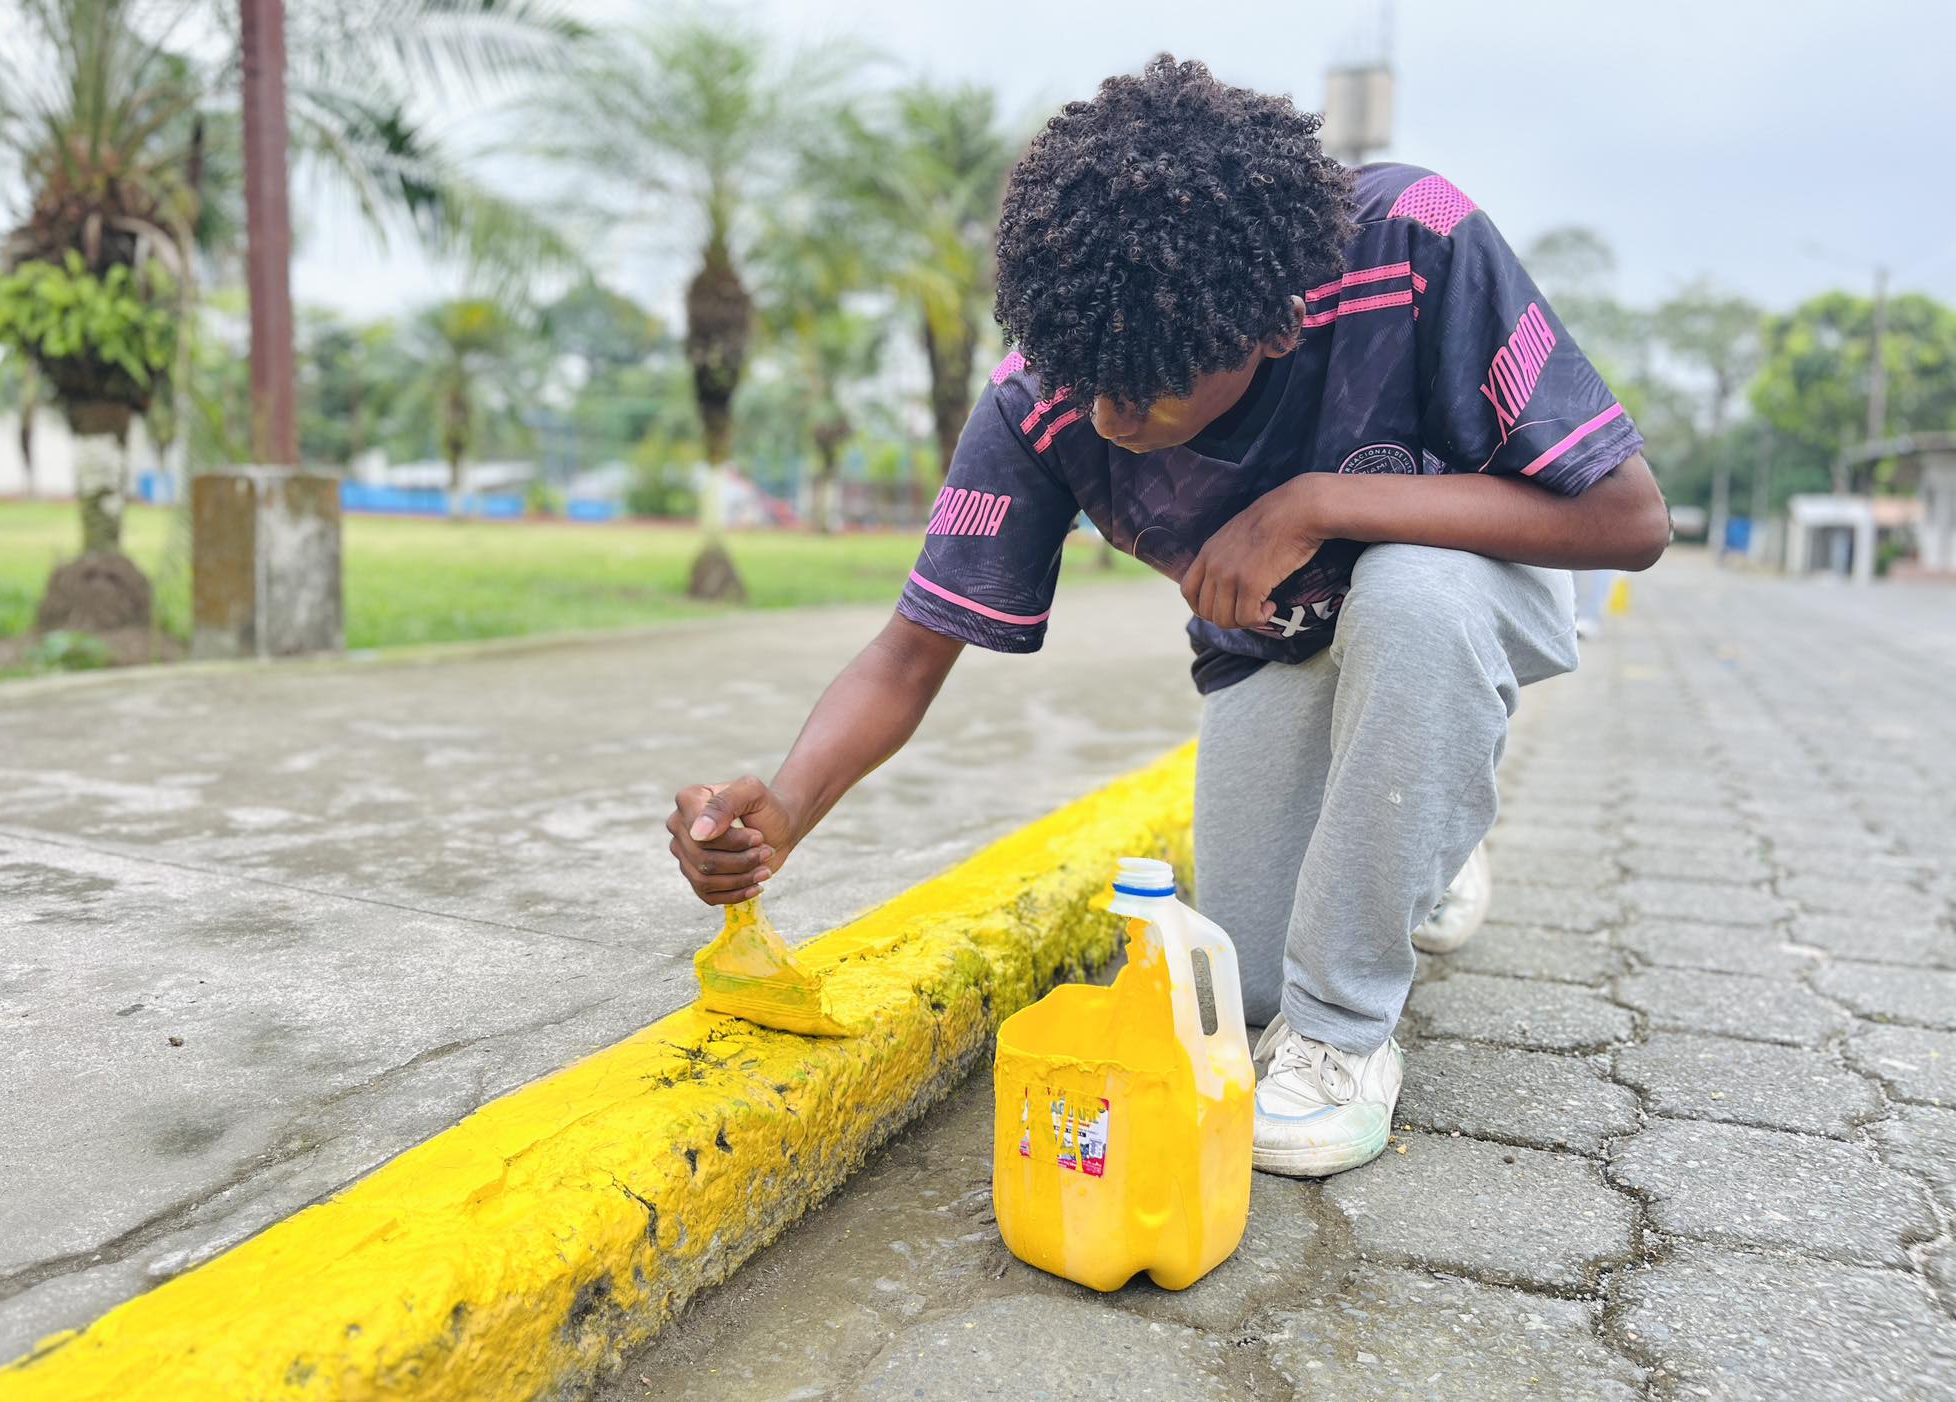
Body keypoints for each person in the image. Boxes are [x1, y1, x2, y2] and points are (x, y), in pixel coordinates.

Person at [664, 56, 1667, 1177]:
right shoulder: (1047, 394)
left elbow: (1629, 520)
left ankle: (1344, 1039)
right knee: (1247, 984)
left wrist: (1314, 503)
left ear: (1277, 328)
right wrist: (785, 811)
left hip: (1467, 592)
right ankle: (1422, 837)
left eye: (1147, 388)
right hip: (1280, 649)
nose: (1109, 418)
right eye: (1084, 379)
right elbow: (909, 653)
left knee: (1409, 593)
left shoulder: (1410, 240)